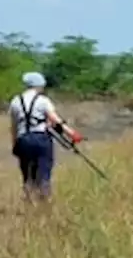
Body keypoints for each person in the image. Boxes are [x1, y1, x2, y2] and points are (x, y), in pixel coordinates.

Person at [8, 72, 82, 202]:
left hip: (23, 140)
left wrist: (14, 144)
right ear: (39, 85)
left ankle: (29, 201)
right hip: (41, 140)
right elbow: (55, 120)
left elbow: (14, 126)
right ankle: (44, 202)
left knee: (27, 174)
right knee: (44, 172)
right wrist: (72, 134)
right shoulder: (43, 101)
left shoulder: (15, 101)